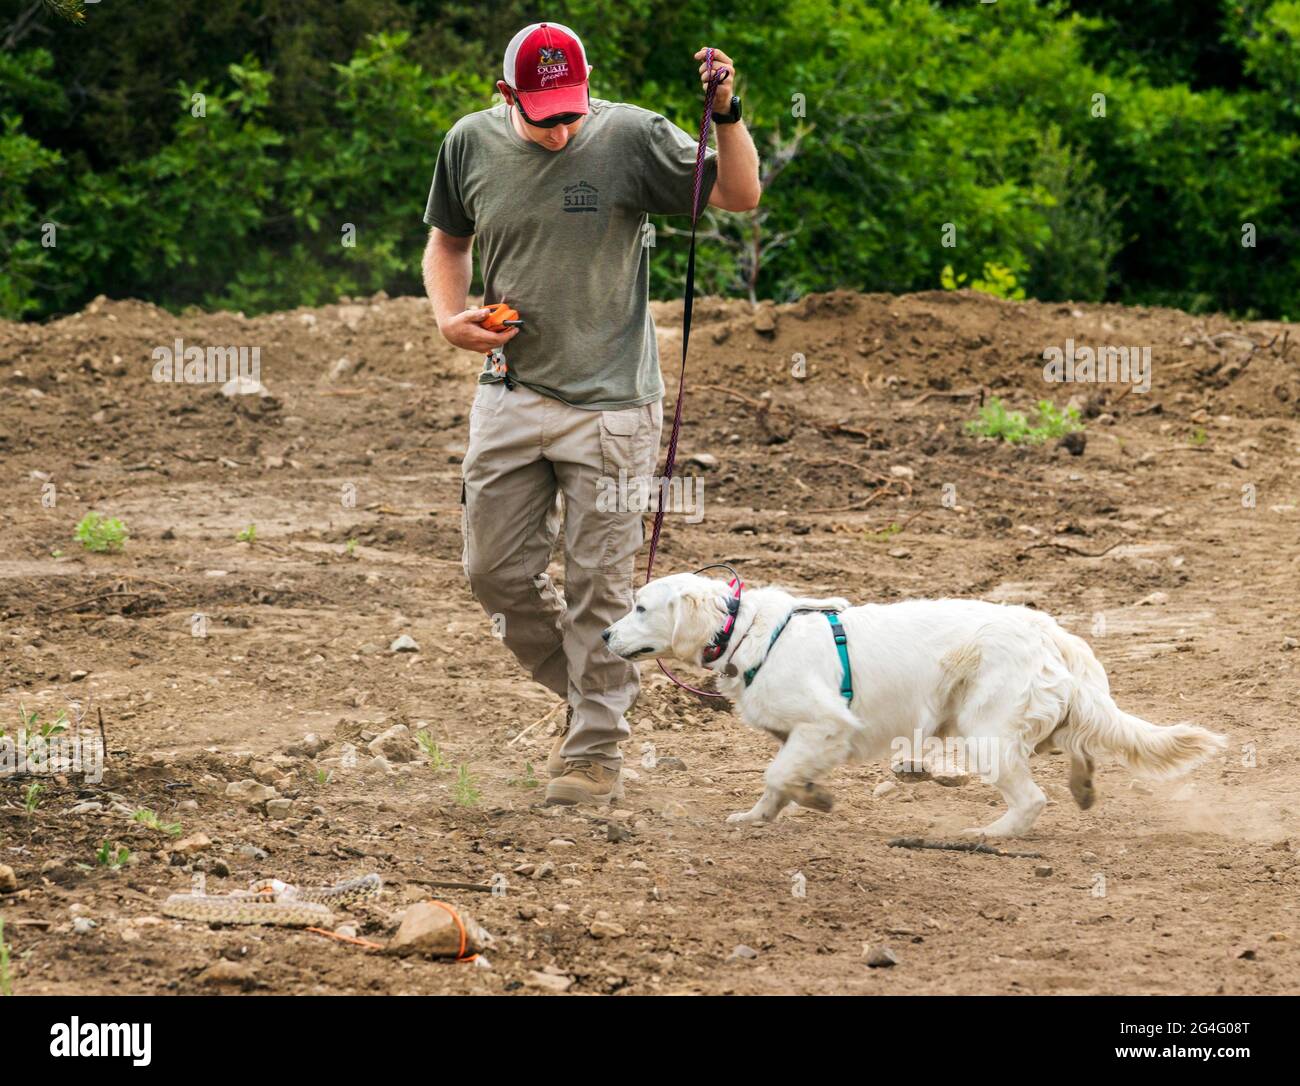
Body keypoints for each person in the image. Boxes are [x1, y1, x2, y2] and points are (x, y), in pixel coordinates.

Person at [422, 21, 760, 805]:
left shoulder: (632, 137)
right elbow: (447, 241)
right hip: (509, 392)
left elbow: (740, 195)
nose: (562, 127)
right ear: (507, 95)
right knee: (493, 574)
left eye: (571, 110)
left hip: (613, 407)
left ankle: (593, 755)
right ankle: (590, 695)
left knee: (599, 592)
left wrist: (729, 110)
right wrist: (448, 317)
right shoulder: (468, 143)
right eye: (544, 115)